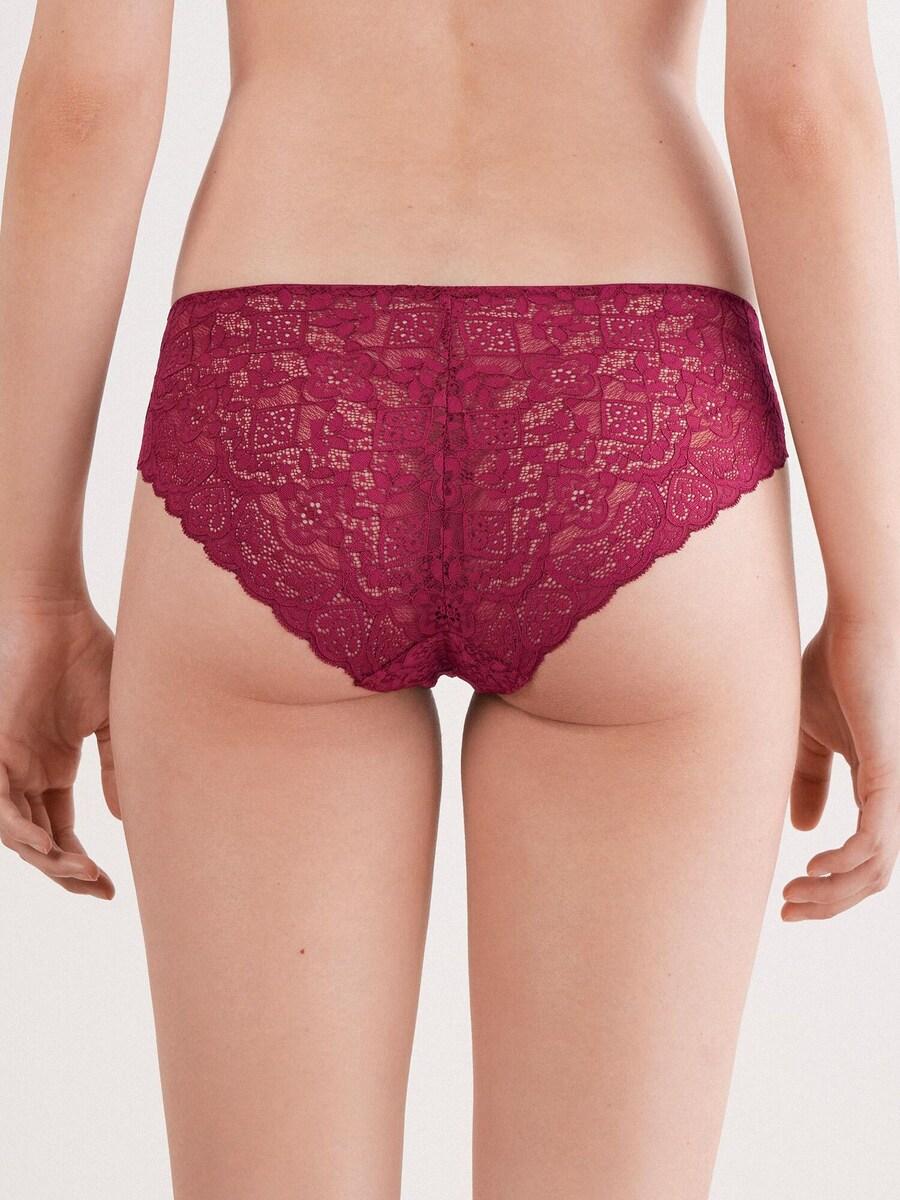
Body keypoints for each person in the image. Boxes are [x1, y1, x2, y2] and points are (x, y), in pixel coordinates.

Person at [1, 1, 898, 1196]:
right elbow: (802, 107)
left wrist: (31, 590)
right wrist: (876, 608)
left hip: (277, 386)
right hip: (633, 390)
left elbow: (86, 98)